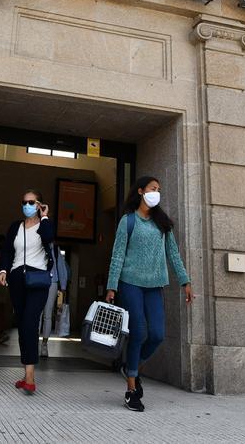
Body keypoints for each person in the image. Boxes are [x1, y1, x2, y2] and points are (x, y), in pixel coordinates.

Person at [105, 176, 194, 412]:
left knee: (156, 334)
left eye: (159, 190)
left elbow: (173, 253)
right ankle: (131, 389)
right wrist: (111, 286)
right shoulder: (128, 221)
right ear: (141, 191)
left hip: (155, 285)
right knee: (139, 332)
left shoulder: (162, 223)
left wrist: (185, 280)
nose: (157, 192)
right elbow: (117, 255)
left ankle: (130, 367)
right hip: (130, 283)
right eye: (154, 189)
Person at [0, 189, 55, 394]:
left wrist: (45, 216)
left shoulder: (44, 225)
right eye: (24, 202)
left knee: (30, 323)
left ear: (39, 204)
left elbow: (49, 238)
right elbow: (7, 251)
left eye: (32, 202)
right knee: (22, 324)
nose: (27, 205)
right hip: (17, 279)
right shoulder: (15, 227)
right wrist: (3, 269)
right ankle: (27, 373)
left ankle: (30, 378)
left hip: (37, 279)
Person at [40, 246, 69, 357]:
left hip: (52, 282)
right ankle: (34, 343)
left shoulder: (55, 249)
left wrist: (63, 287)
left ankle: (44, 345)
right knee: (37, 314)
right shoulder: (37, 243)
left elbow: (61, 268)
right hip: (37, 280)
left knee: (47, 315)